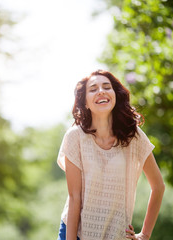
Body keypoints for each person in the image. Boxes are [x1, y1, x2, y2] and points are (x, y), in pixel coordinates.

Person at [56, 70, 165, 240]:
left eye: (107, 87)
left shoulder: (133, 136)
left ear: (115, 95)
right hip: (75, 233)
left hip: (116, 234)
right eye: (93, 89)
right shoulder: (74, 137)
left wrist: (145, 235)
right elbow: (74, 197)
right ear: (85, 102)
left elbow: (158, 186)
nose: (101, 91)